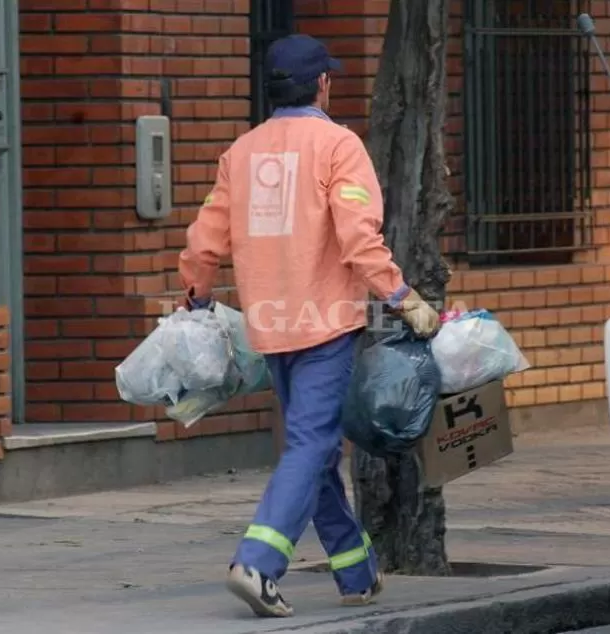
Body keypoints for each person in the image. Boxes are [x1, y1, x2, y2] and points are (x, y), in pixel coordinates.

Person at [177, 33, 440, 618]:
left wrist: (196, 297)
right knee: (313, 444)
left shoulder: (239, 153)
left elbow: (203, 242)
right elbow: (357, 238)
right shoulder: (338, 146)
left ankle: (356, 571)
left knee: (313, 451)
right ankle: (258, 562)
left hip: (269, 329)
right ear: (323, 84)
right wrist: (401, 295)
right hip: (324, 326)